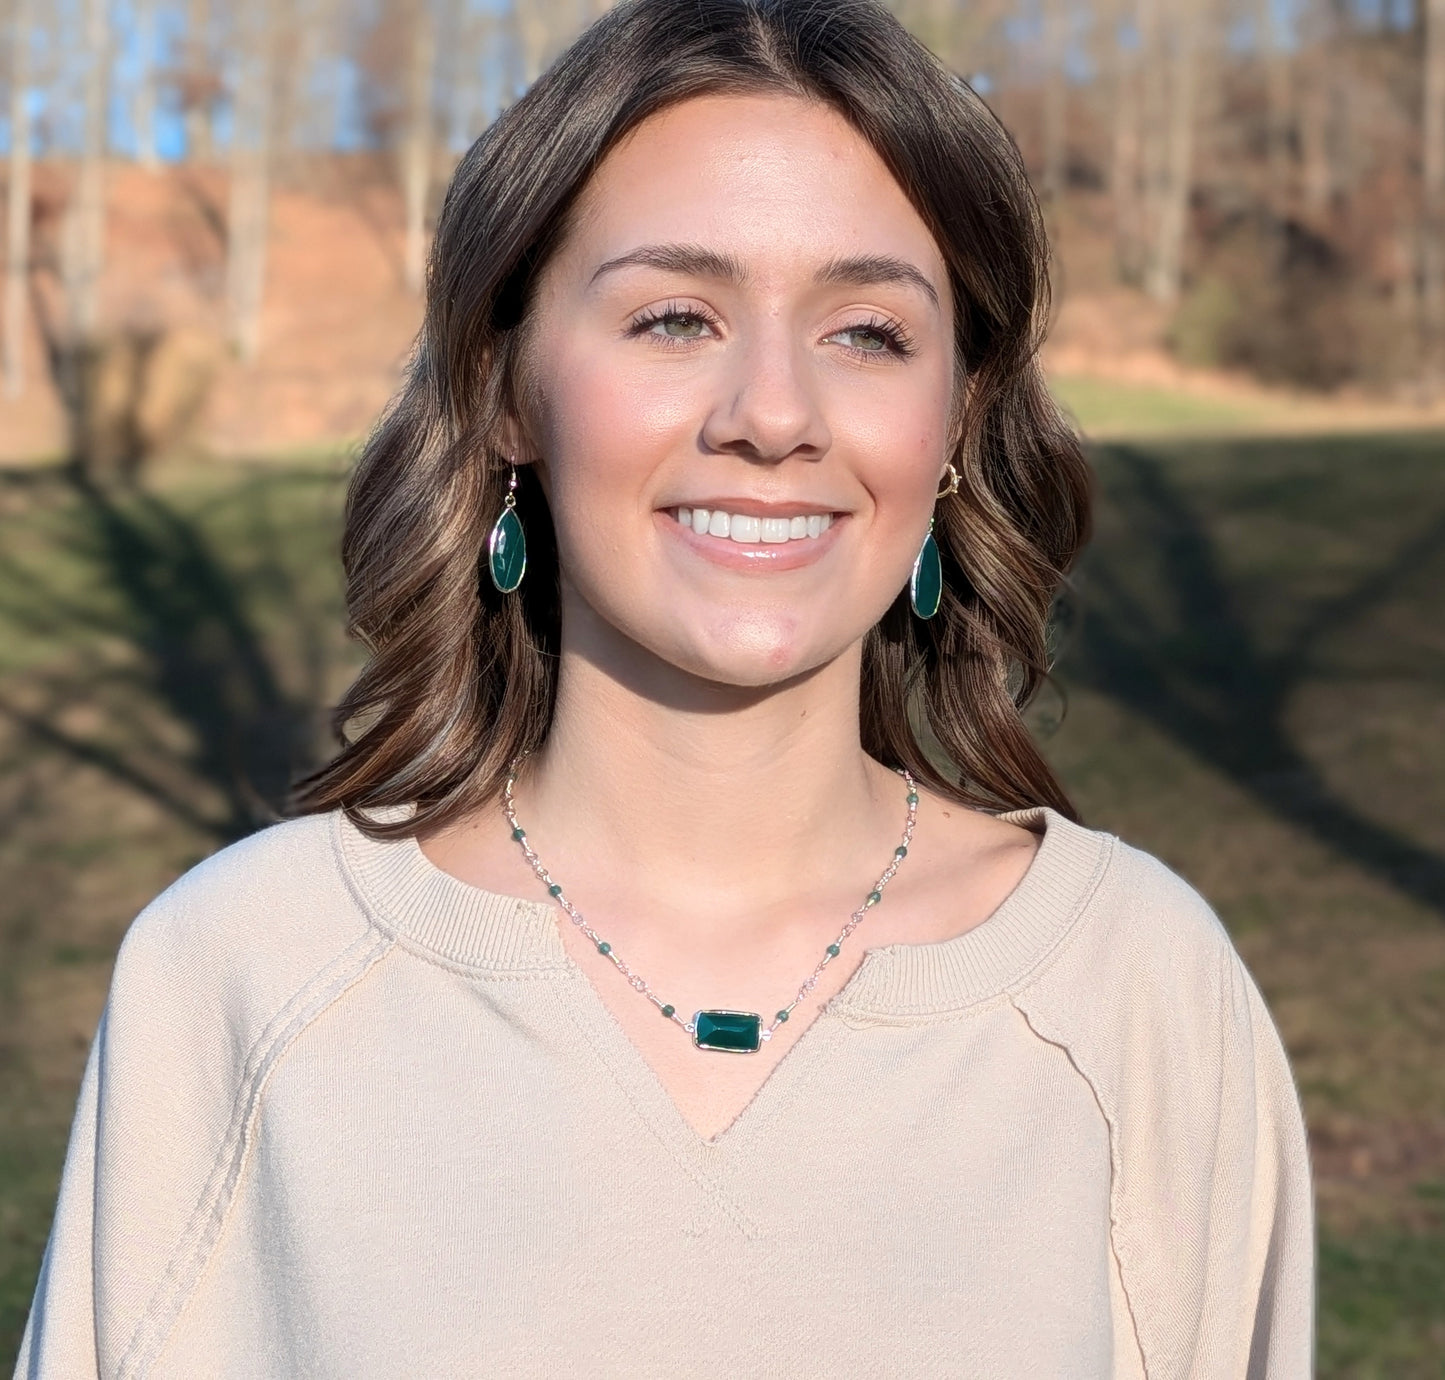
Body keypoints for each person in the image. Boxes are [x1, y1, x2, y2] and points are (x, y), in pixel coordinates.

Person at [15, 0, 1314, 1374]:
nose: (770, 411)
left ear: (957, 422)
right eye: (674, 316)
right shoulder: (236, 979)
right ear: (508, 386)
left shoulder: (1139, 991)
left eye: (867, 331)